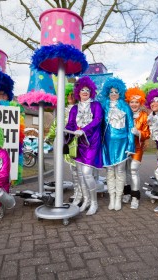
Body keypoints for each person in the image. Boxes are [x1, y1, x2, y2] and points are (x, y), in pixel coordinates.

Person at [65, 76, 103, 215]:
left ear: (91, 91)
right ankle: (86, 200)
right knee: (80, 174)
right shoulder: (74, 108)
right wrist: (66, 131)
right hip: (78, 143)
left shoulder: (96, 105)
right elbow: (70, 123)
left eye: (87, 90)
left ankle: (94, 203)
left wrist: (83, 130)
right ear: (78, 92)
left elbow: (98, 120)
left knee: (87, 173)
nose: (85, 92)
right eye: (82, 90)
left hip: (92, 142)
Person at [101, 77, 135, 211]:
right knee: (109, 171)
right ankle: (112, 198)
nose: (114, 94)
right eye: (111, 92)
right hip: (108, 143)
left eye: (116, 91)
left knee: (120, 171)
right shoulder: (104, 106)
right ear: (107, 93)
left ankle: (119, 198)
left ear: (120, 92)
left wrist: (130, 145)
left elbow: (131, 126)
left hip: (122, 143)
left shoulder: (125, 107)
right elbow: (100, 125)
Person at [45, 83, 81, 206]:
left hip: (80, 143)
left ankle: (82, 193)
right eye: (68, 95)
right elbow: (55, 125)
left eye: (72, 95)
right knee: (73, 169)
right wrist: (49, 139)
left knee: (80, 170)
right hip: (67, 143)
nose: (70, 97)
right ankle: (77, 192)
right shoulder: (62, 111)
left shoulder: (81, 109)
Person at [121, 87, 150, 209]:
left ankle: (135, 197)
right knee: (125, 170)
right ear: (128, 102)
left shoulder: (144, 116)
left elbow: (147, 133)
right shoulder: (124, 113)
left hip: (138, 147)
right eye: (131, 101)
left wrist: (139, 133)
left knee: (133, 170)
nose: (134, 104)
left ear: (140, 103)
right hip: (124, 147)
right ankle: (127, 193)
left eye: (136, 102)